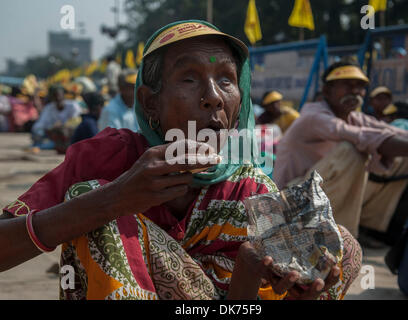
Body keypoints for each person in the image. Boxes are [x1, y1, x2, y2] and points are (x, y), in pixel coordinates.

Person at [0, 20, 361, 300]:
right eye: (189, 78)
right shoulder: (106, 158)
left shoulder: (248, 188)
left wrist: (258, 275)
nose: (213, 98)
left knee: (340, 246)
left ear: (238, 108)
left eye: (226, 81)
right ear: (150, 102)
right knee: (96, 205)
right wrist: (115, 199)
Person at [273, 60, 408, 240]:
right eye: (347, 85)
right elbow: (363, 137)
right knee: (352, 150)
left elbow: (394, 132)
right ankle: (338, 237)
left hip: (315, 197)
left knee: (402, 156)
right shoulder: (314, 115)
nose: (355, 91)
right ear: (327, 91)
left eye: (360, 86)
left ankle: (366, 228)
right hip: (291, 201)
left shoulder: (354, 117)